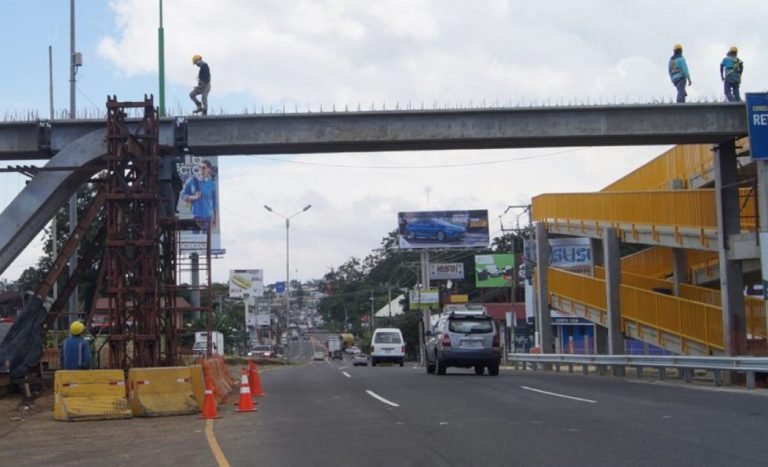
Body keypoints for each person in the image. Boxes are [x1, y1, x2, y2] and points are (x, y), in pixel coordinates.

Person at [180, 159, 217, 230]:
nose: (201, 169)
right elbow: (182, 195)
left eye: (203, 168)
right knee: (196, 239)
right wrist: (193, 197)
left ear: (208, 169)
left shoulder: (211, 184)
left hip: (208, 217)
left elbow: (214, 202)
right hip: (196, 216)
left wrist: (215, 218)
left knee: (207, 239)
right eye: (199, 167)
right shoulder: (192, 180)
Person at [158, 152, 183, 220]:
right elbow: (181, 160)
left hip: (158, 182)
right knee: (171, 199)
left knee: (160, 199)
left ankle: (162, 214)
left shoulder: (159, 160)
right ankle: (171, 215)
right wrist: (182, 152)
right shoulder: (169, 158)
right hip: (166, 181)